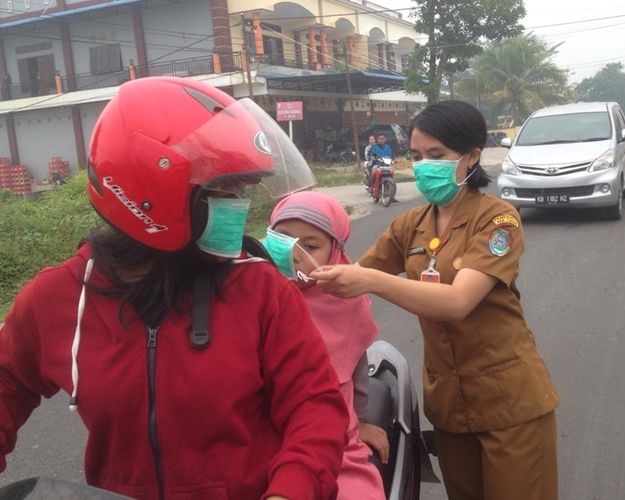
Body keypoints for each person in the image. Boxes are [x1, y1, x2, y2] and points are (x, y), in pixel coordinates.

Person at [0, 77, 349, 500]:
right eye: (225, 190)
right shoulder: (60, 297)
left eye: (243, 190)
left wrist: (291, 490)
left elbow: (314, 405)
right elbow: (8, 386)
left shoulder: (261, 289)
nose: (238, 206)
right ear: (151, 189)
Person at [312, 100, 560, 500]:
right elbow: (346, 276)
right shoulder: (411, 224)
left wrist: (370, 280)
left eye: (436, 155)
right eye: (415, 156)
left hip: (510, 402)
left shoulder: (498, 220)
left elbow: (458, 301)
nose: (424, 165)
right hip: (449, 406)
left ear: (471, 157)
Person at [263, 191, 389, 500]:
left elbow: (357, 369)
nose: (294, 255)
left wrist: (363, 422)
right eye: (283, 240)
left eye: (310, 246)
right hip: (262, 434)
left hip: (334, 439)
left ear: (334, 252)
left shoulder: (346, 302)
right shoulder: (253, 293)